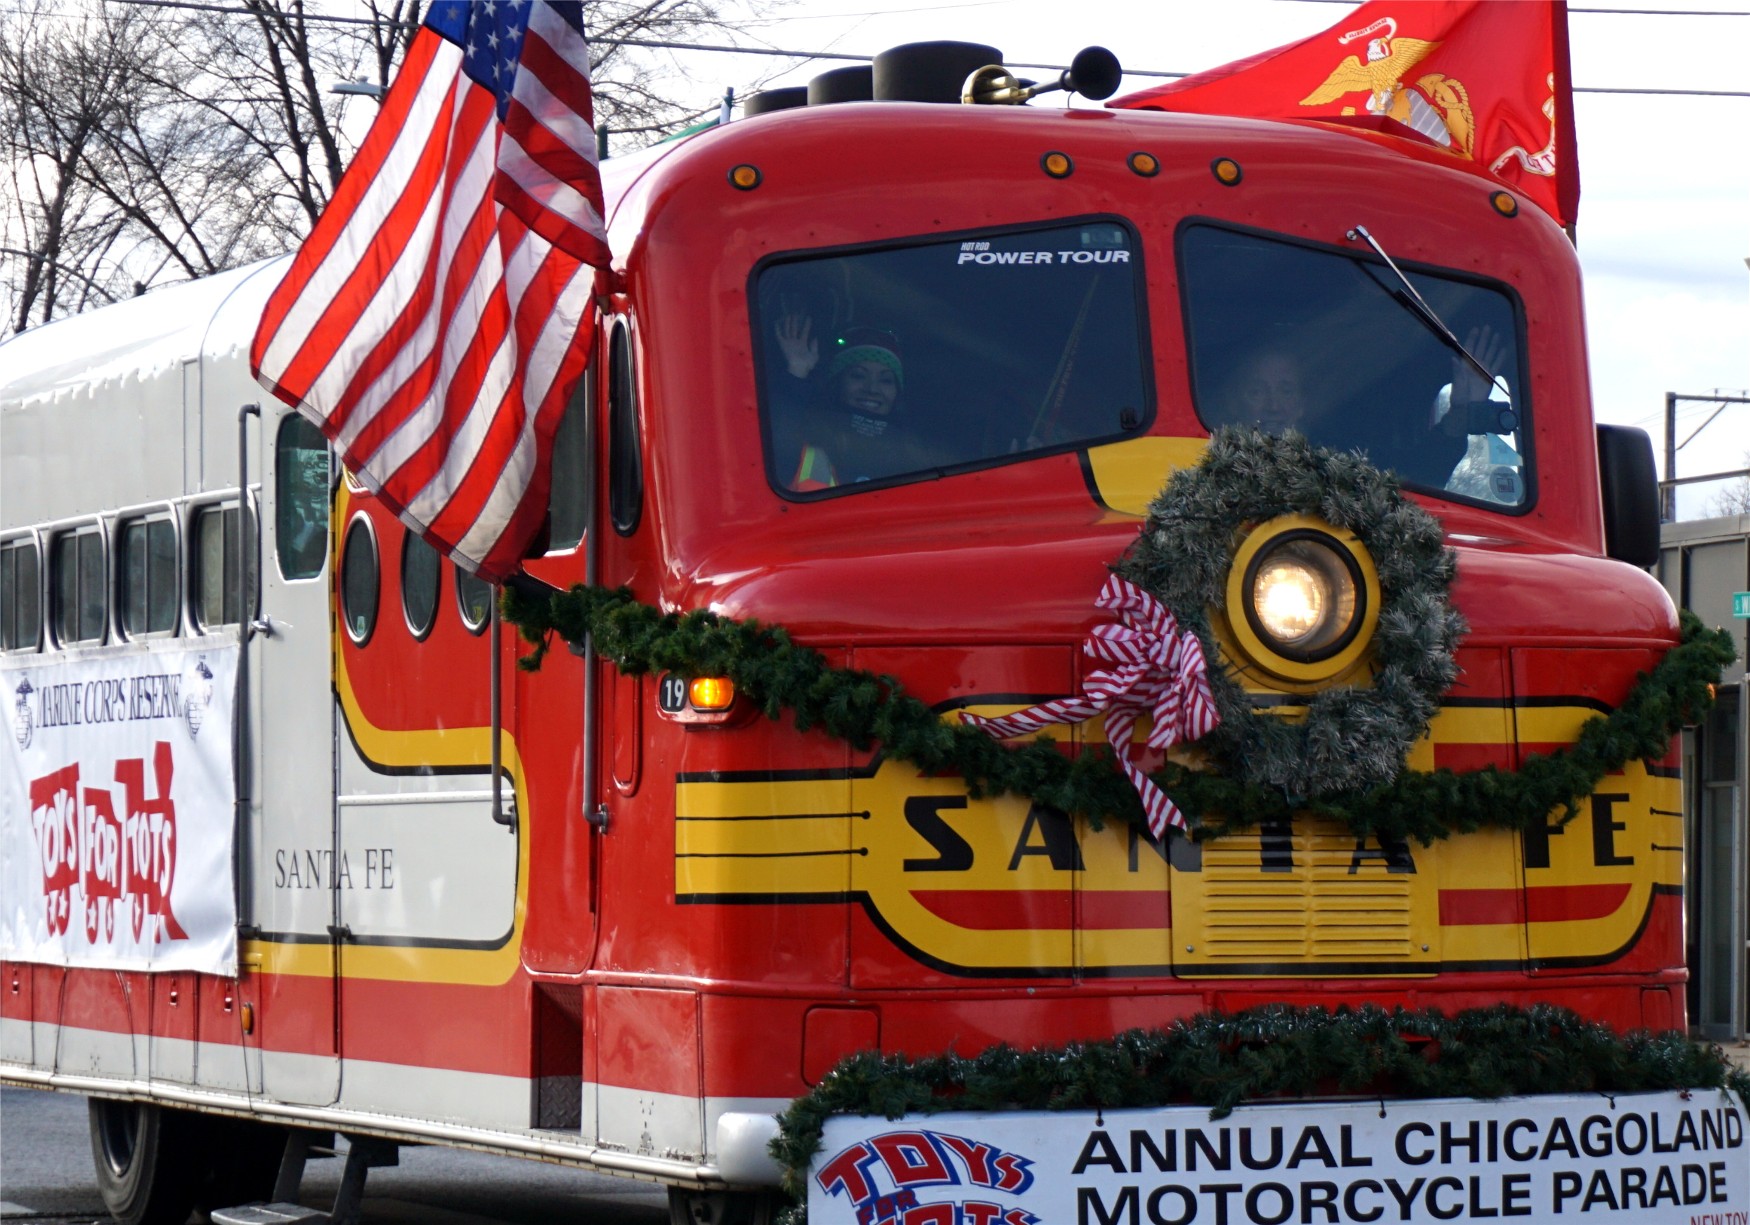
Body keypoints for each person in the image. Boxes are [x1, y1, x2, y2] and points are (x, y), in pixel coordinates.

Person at [770, 316, 933, 489]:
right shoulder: (804, 439)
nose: (872, 389)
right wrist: (797, 370)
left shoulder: (917, 458)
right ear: (838, 383)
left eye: (885, 380)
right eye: (858, 376)